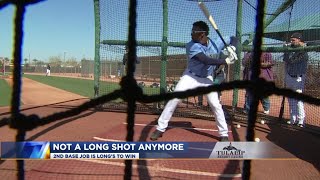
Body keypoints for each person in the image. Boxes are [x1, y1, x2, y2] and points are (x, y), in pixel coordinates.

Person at [150, 21, 238, 142]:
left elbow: (234, 38)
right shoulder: (191, 46)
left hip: (207, 78)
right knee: (174, 99)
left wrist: (232, 47)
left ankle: (223, 134)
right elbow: (205, 60)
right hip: (191, 77)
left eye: (193, 31)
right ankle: (160, 128)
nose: (191, 33)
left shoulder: (216, 42)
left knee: (216, 105)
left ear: (202, 34)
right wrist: (226, 61)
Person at [283, 32, 308, 127]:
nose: (291, 41)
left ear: (299, 40)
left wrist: (303, 45)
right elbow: (286, 59)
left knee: (298, 99)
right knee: (290, 99)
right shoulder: (290, 49)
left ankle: (301, 120)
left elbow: (293, 61)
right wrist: (286, 49)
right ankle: (293, 118)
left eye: (293, 40)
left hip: (299, 78)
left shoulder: (304, 50)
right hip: (289, 76)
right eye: (291, 39)